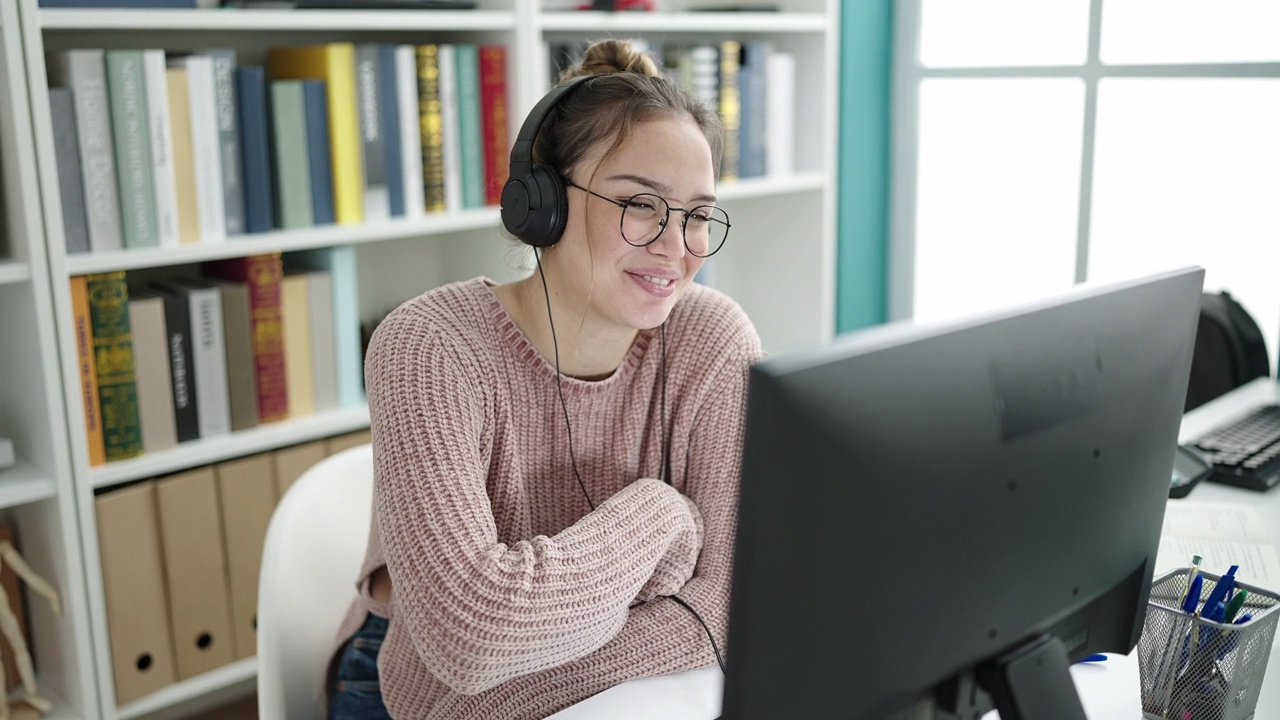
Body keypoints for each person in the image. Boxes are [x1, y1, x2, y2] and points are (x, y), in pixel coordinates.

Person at [326, 39, 762, 719]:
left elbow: (727, 606)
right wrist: (663, 516)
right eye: (641, 205)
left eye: (699, 215)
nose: (678, 248)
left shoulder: (713, 340)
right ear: (542, 203)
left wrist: (501, 693)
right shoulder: (429, 348)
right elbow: (467, 641)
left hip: (501, 701)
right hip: (408, 687)